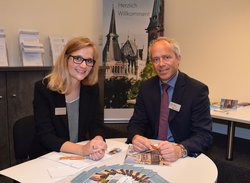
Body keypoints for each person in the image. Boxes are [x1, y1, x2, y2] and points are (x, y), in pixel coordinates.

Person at [127, 37, 212, 162]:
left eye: (167, 57)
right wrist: (135, 137)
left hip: (181, 155)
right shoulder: (146, 87)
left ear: (178, 58)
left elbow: (204, 135)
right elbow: (136, 123)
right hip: (151, 151)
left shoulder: (196, 91)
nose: (161, 64)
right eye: (156, 59)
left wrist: (180, 149)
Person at [33, 37, 107, 160]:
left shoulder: (91, 88)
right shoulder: (44, 88)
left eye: (89, 60)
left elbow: (96, 125)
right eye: (78, 58)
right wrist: (82, 150)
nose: (83, 65)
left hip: (78, 159)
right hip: (49, 156)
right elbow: (46, 136)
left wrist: (97, 142)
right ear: (66, 59)